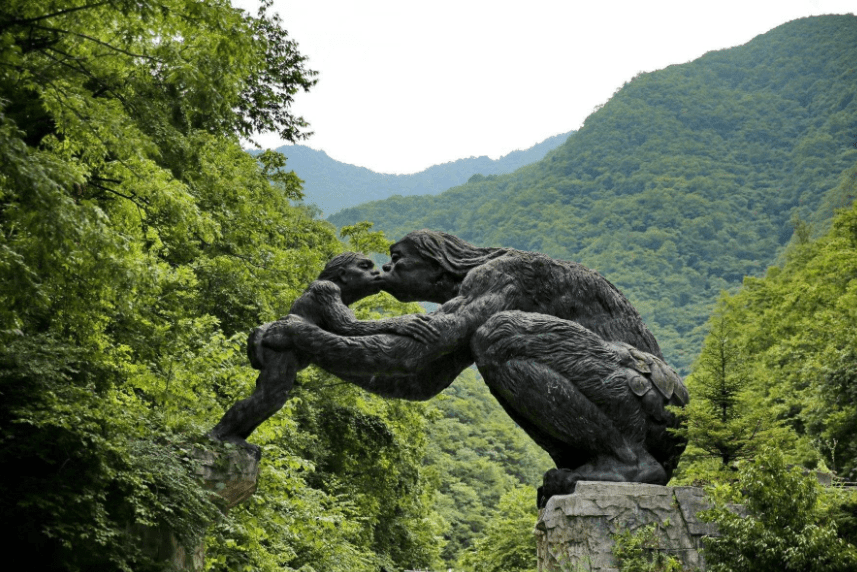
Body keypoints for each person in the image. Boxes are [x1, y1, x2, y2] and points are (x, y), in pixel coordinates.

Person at [263, 231, 688, 505]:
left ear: (437, 264)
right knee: (493, 342)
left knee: (498, 335)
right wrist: (315, 351)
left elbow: (411, 349)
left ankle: (626, 460)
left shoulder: (499, 275)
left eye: (397, 258)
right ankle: (609, 458)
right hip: (634, 406)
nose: (388, 269)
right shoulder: (468, 305)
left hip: (644, 396)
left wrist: (309, 337)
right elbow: (417, 379)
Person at [208, 251, 437, 452]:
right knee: (270, 396)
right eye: (365, 267)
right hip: (282, 344)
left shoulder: (335, 298)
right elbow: (347, 328)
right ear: (343, 275)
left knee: (274, 397)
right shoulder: (326, 288)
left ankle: (232, 435)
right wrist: (396, 323)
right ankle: (220, 434)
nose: (375, 272)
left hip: (288, 348)